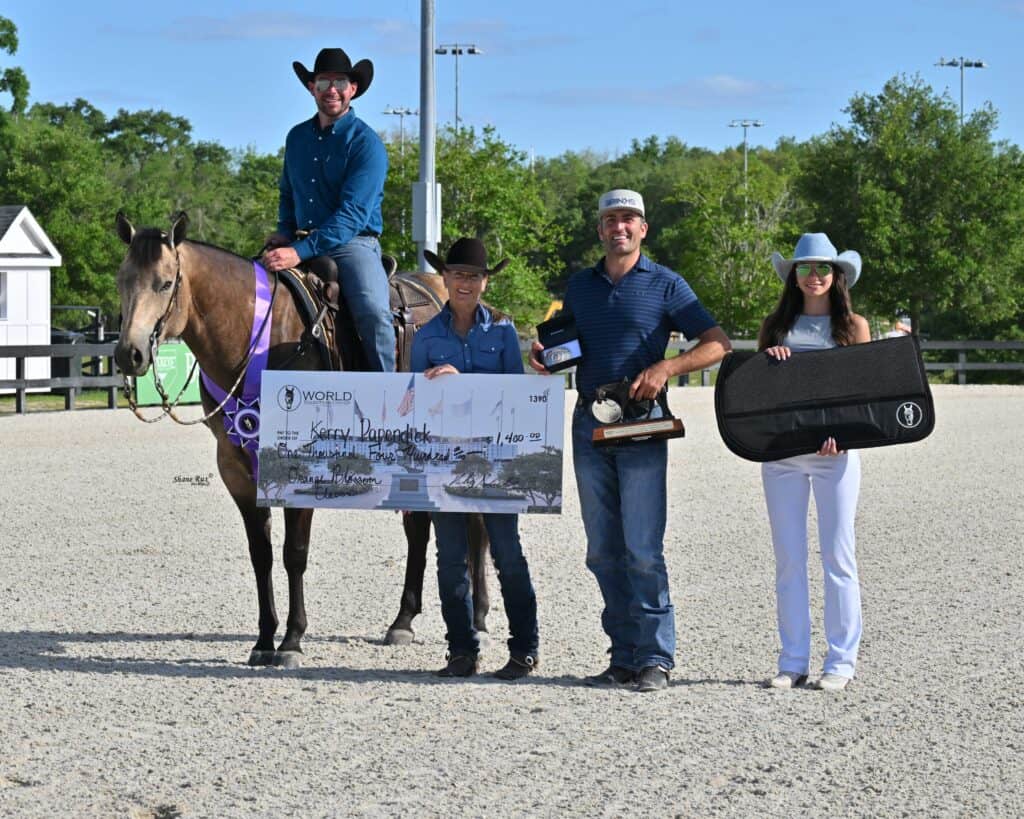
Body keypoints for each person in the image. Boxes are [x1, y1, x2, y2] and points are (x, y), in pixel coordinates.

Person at [530, 189, 731, 692]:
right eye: (610, 219)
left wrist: (668, 366)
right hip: (588, 421)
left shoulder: (666, 284)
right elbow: (568, 350)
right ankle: (621, 655)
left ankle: (655, 657)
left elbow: (717, 344)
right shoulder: (580, 286)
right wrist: (546, 360)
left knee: (642, 547)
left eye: (629, 219)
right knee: (601, 549)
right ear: (600, 230)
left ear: (643, 228)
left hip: (641, 423)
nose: (619, 227)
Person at [412, 238, 540, 680]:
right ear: (444, 278)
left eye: (474, 275)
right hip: (443, 460)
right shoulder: (425, 336)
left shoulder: (503, 332)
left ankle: (524, 648)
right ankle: (461, 650)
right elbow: (412, 402)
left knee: (508, 555)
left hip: (496, 459)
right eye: (458, 274)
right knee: (450, 558)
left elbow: (516, 399)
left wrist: (460, 381)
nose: (465, 283)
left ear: (485, 282)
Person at [760, 233, 871, 692]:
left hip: (835, 456)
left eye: (823, 268)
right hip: (782, 455)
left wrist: (844, 436)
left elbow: (867, 393)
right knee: (788, 560)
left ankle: (841, 662)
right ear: (794, 276)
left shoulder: (854, 327)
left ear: (837, 274)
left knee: (838, 557)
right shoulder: (776, 325)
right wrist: (770, 361)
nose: (815, 276)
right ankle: (793, 660)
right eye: (805, 268)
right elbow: (757, 392)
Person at [262, 47, 395, 372]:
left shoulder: (366, 143)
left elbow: (352, 215)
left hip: (352, 244)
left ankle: (389, 392)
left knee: (373, 311)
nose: (331, 90)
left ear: (353, 89)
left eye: (339, 82)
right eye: (323, 82)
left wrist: (298, 251)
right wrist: (283, 231)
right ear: (312, 88)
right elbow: (288, 192)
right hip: (299, 239)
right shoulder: (296, 138)